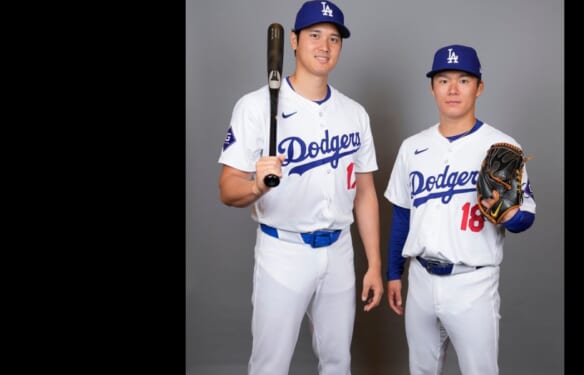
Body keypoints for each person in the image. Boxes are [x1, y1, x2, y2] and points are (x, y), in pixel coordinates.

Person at [217, 1, 383, 374]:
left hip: (339, 250)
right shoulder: (256, 106)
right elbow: (227, 189)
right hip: (283, 250)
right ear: (292, 41)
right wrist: (257, 186)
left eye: (334, 38)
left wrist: (373, 263)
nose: (324, 45)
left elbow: (366, 192)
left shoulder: (355, 113)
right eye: (314, 36)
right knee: (270, 365)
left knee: (339, 362)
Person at [384, 44, 537, 374]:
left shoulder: (502, 147)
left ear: (479, 87)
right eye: (443, 80)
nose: (452, 89)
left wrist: (509, 214)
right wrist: (394, 273)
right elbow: (402, 215)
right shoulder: (412, 147)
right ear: (432, 87)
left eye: (464, 80)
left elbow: (526, 218)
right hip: (421, 280)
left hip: (473, 284)